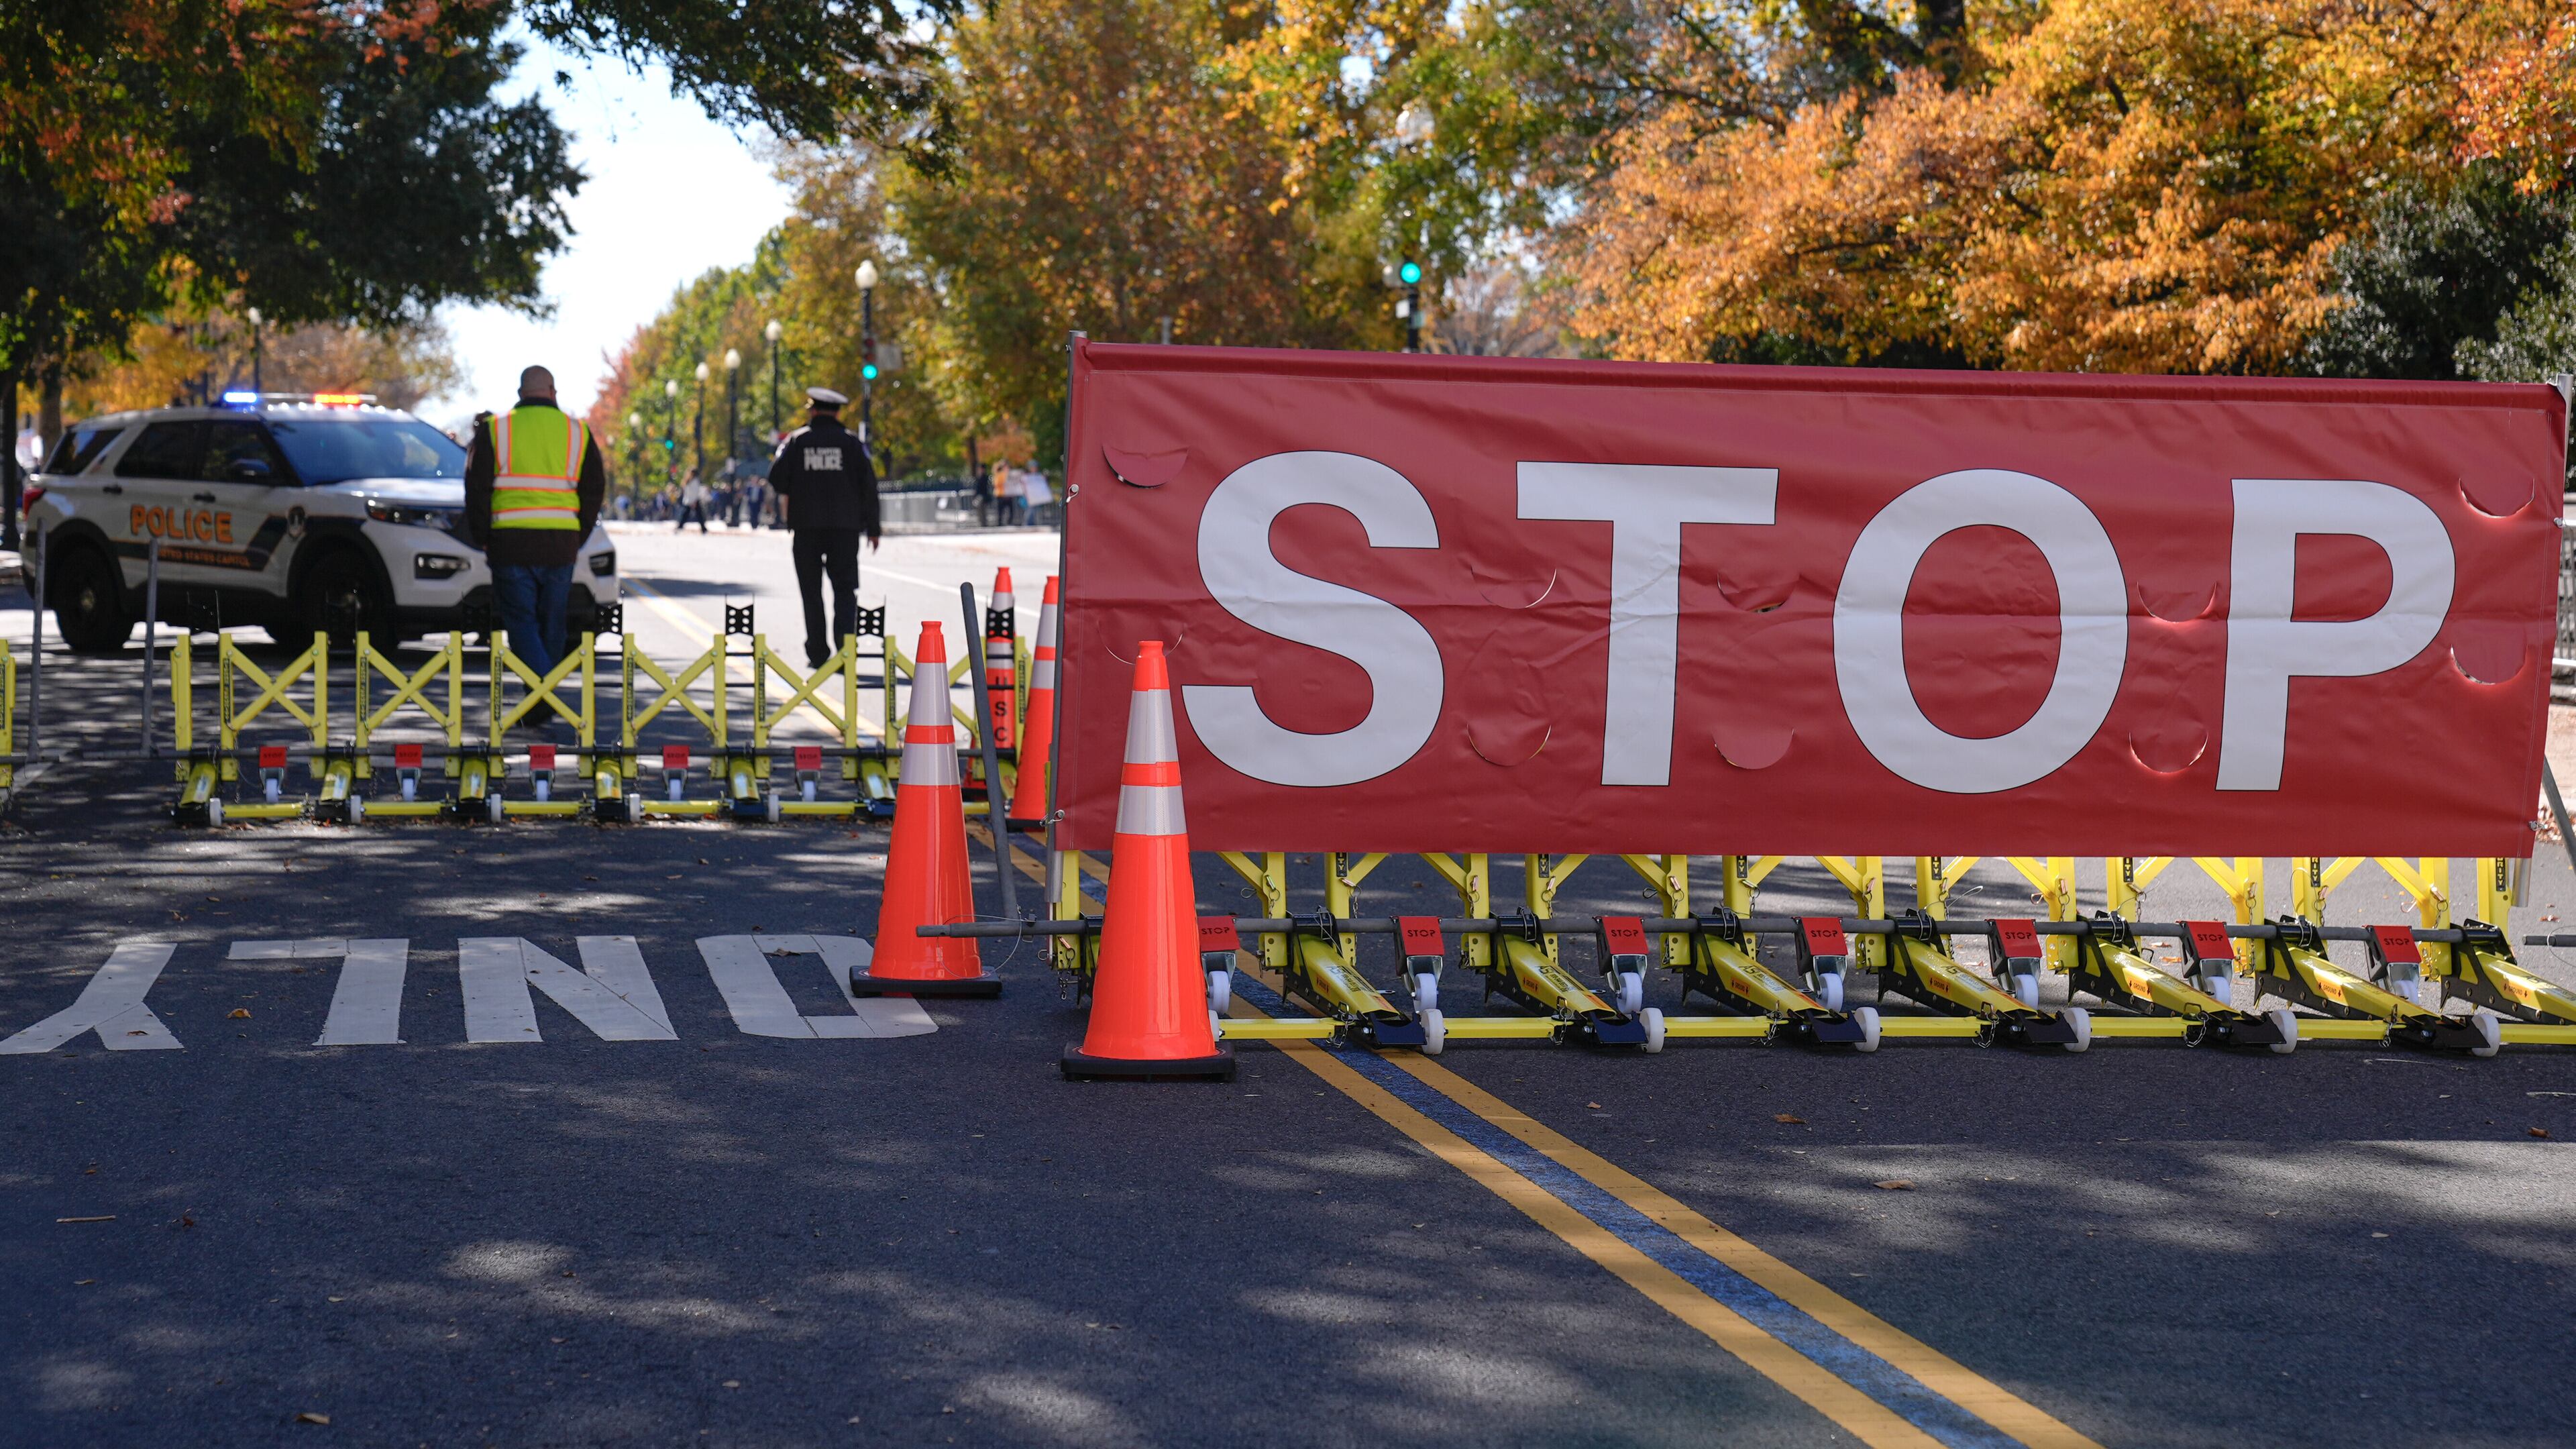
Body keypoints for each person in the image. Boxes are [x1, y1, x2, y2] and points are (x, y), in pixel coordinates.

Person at [462, 364, 605, 688]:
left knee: (521, 622)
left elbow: (476, 486)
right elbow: (595, 487)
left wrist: (482, 535)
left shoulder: (496, 429)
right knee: (553, 624)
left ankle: (541, 694)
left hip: (510, 543)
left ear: (520, 394)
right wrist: (579, 533)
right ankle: (544, 695)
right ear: (553, 392)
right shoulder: (577, 431)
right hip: (560, 545)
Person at [768, 386, 881, 668]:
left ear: (814, 410)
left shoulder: (797, 441)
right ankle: (845, 653)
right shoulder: (852, 444)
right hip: (844, 529)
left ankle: (818, 652)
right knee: (844, 590)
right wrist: (874, 528)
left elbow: (777, 479)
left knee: (811, 590)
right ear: (837, 413)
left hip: (806, 528)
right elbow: (869, 487)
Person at [676, 467, 709, 531]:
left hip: (694, 500)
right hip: (689, 500)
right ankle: (680, 526)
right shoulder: (689, 481)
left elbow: (695, 492)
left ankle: (703, 528)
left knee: (699, 515)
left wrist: (694, 501)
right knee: (686, 514)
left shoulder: (695, 481)